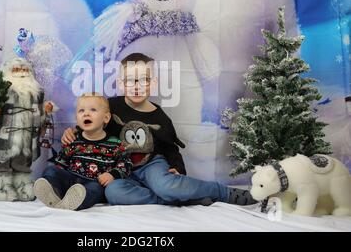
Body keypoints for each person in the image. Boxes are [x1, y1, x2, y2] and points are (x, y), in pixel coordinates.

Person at [62, 53, 256, 206]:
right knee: (113, 192)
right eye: (130, 81)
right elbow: (92, 122)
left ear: (153, 83)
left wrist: (178, 168)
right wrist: (75, 132)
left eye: (144, 80)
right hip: (120, 168)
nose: (137, 87)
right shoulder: (111, 107)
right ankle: (173, 200)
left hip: (150, 165)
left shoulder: (159, 116)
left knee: (166, 185)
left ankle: (221, 191)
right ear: (121, 84)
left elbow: (170, 147)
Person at [34, 93, 131, 210]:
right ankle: (54, 194)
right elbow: (61, 163)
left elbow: (125, 163)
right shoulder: (73, 140)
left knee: (95, 190)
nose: (86, 113)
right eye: (81, 111)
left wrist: (112, 174)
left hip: (95, 183)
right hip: (71, 179)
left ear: (106, 118)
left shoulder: (115, 144)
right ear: (76, 119)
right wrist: (58, 178)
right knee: (51, 170)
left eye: (93, 110)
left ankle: (74, 202)